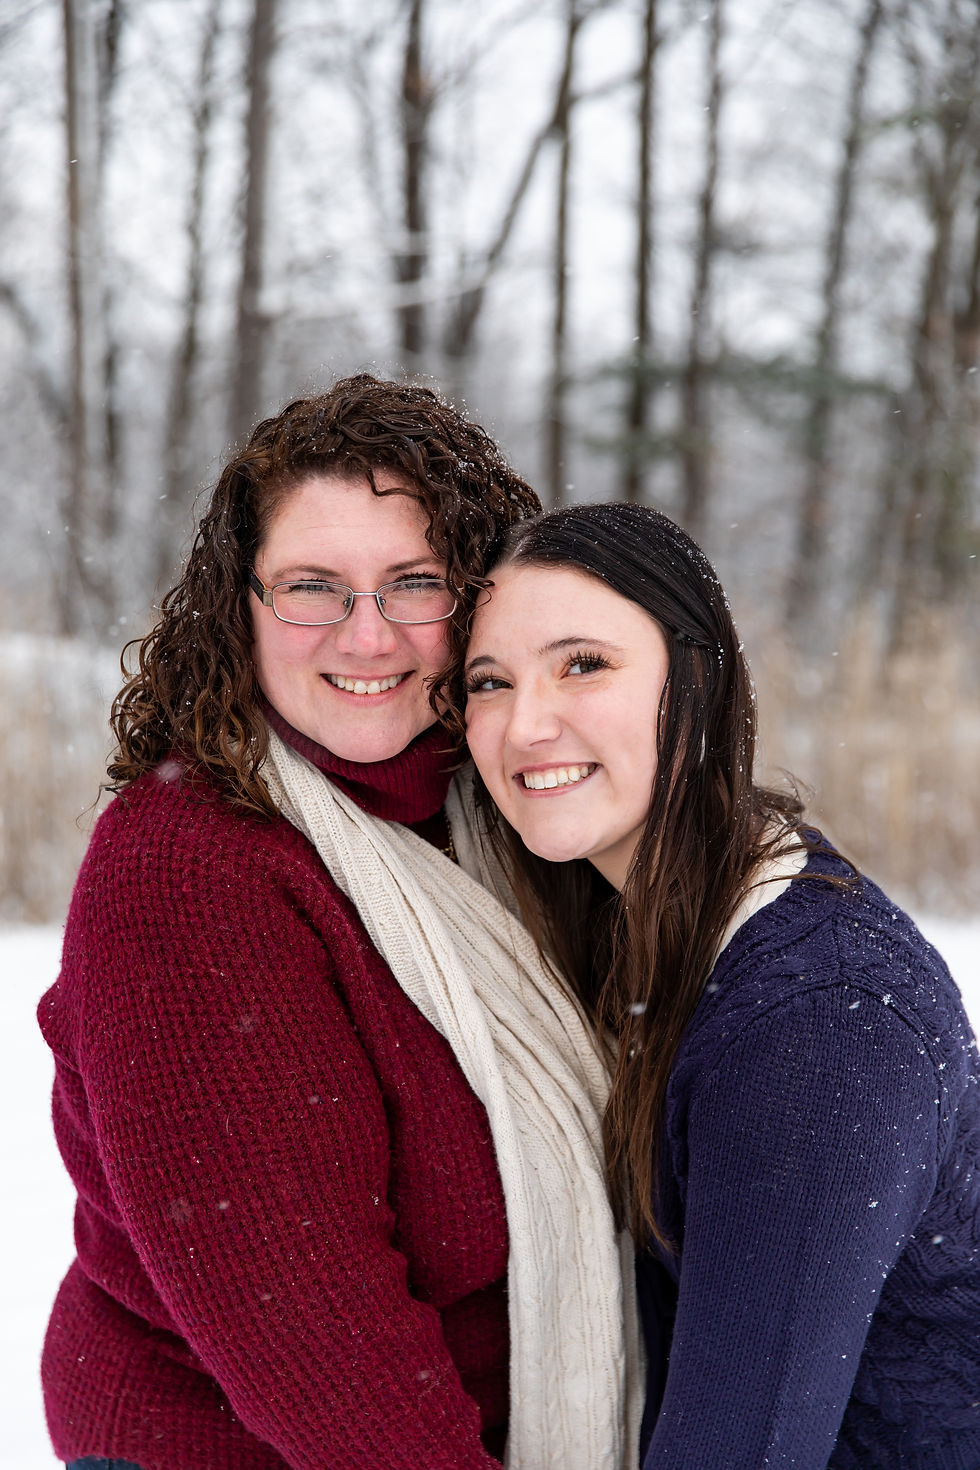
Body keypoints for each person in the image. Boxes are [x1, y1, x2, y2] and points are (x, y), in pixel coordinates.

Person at [38, 379, 641, 1470]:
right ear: (241, 606)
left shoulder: (495, 816)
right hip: (237, 1446)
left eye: (413, 583)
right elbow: (307, 1327)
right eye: (311, 588)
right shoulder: (186, 867)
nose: (367, 638)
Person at [451, 500, 980, 1470]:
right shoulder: (631, 939)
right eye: (487, 682)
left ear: (697, 678)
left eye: (582, 663)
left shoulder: (821, 1024)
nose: (524, 724)